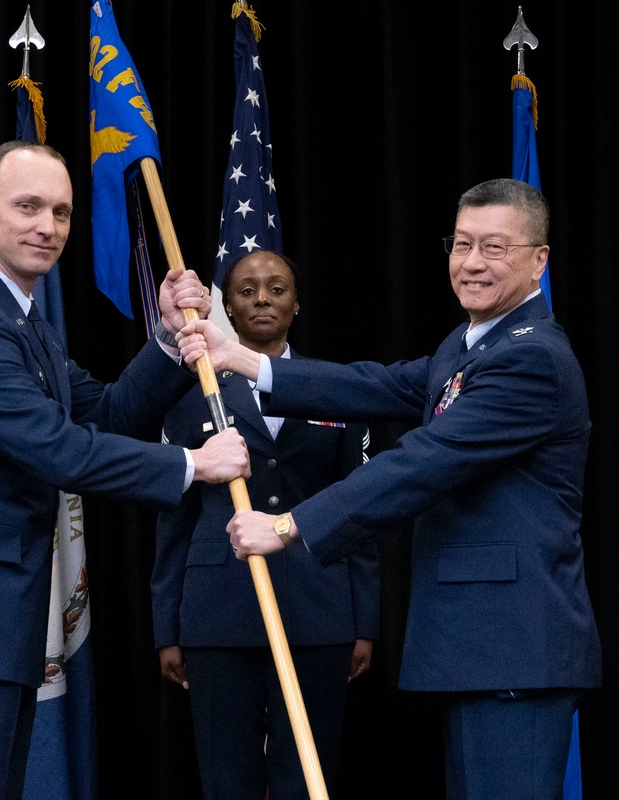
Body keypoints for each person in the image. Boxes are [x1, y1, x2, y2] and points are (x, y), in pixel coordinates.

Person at [178, 178, 602, 800]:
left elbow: (423, 462)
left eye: (494, 247)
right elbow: (375, 387)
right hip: (483, 648)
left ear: (539, 260)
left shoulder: (530, 358)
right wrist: (240, 359)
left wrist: (288, 526)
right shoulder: (466, 344)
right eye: (461, 245)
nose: (472, 263)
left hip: (514, 646)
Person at [0, 139, 251, 800]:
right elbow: (59, 451)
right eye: (27, 206)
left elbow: (103, 415)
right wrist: (194, 463)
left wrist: (165, 341)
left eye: (62, 212)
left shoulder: (25, 325)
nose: (46, 226)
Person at [151, 251, 379, 800]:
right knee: (227, 779)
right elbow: (171, 520)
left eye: (277, 289)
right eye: (247, 291)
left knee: (307, 775)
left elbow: (362, 506)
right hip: (217, 613)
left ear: (296, 305)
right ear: (226, 305)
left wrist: (363, 619)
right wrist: (168, 628)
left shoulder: (334, 389)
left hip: (317, 608)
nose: (262, 300)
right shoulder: (188, 398)